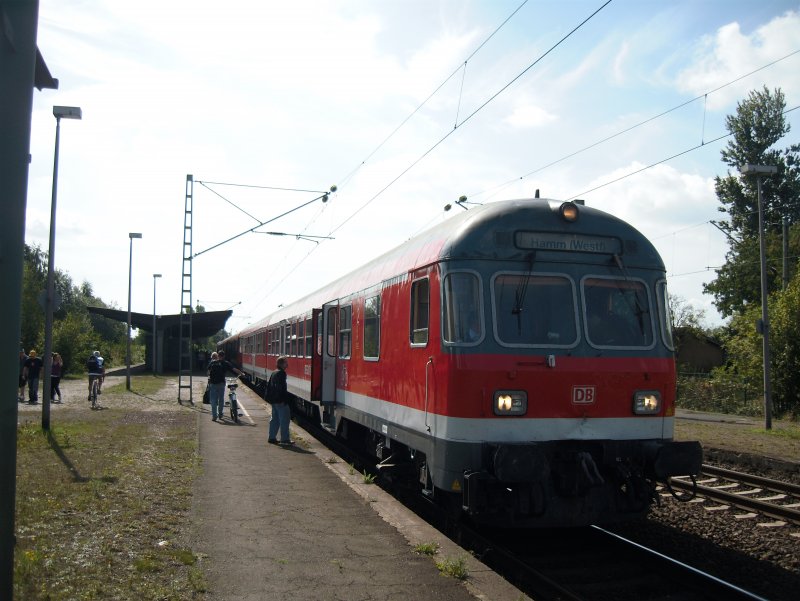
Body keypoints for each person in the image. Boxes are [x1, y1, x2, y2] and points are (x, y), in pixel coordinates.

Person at [206, 350, 244, 422]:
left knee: (213, 400)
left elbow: (208, 373)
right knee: (221, 399)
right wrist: (241, 373)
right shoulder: (226, 363)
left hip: (213, 384)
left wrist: (211, 376)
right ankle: (220, 414)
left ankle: (214, 416)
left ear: (218, 355)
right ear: (224, 356)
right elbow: (234, 369)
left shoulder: (212, 362)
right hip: (221, 383)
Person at [267, 356, 293, 445]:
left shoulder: (274, 372)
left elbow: (269, 386)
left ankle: (272, 437)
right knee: (284, 420)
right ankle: (285, 439)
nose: (287, 365)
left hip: (274, 400)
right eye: (286, 363)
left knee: (275, 419)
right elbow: (281, 388)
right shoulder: (282, 373)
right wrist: (283, 399)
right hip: (280, 401)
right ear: (282, 364)